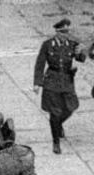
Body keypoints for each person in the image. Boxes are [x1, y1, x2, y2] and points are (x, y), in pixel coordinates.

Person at [34, 18, 85, 154]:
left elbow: (81, 59)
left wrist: (81, 53)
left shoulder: (72, 44)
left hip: (67, 80)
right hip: (52, 81)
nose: (65, 35)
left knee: (71, 106)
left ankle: (58, 125)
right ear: (57, 32)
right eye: (62, 32)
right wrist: (37, 83)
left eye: (67, 32)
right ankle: (56, 142)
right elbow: (40, 64)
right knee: (54, 112)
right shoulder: (47, 45)